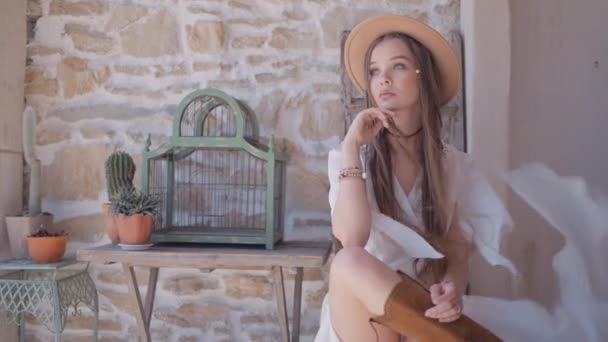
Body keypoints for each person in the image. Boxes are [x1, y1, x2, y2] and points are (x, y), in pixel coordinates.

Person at [315, 15, 511, 342]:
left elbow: (457, 252)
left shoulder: (454, 167)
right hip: (363, 318)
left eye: (399, 67)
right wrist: (351, 146)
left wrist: (452, 289)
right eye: (374, 71)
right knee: (348, 261)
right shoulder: (349, 157)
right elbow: (352, 238)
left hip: (424, 314)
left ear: (424, 77)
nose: (384, 79)